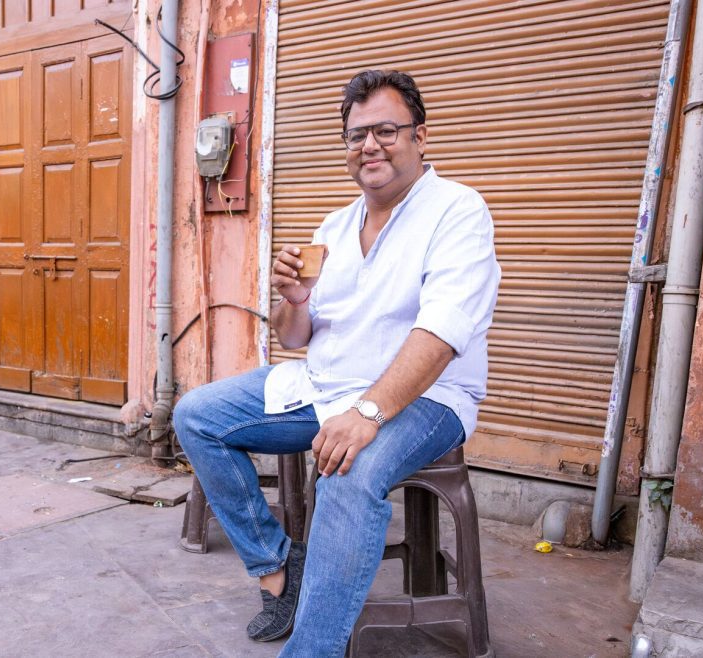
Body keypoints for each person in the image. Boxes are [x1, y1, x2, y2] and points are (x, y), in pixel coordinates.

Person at [173, 69, 501, 656]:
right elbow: (298, 335)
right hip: (325, 386)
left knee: (346, 472)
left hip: (428, 398)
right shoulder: (336, 226)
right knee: (197, 415)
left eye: (385, 131)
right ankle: (279, 569)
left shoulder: (457, 211)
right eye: (356, 135)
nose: (369, 145)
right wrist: (293, 299)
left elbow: (442, 334)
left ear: (420, 136)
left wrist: (368, 413)